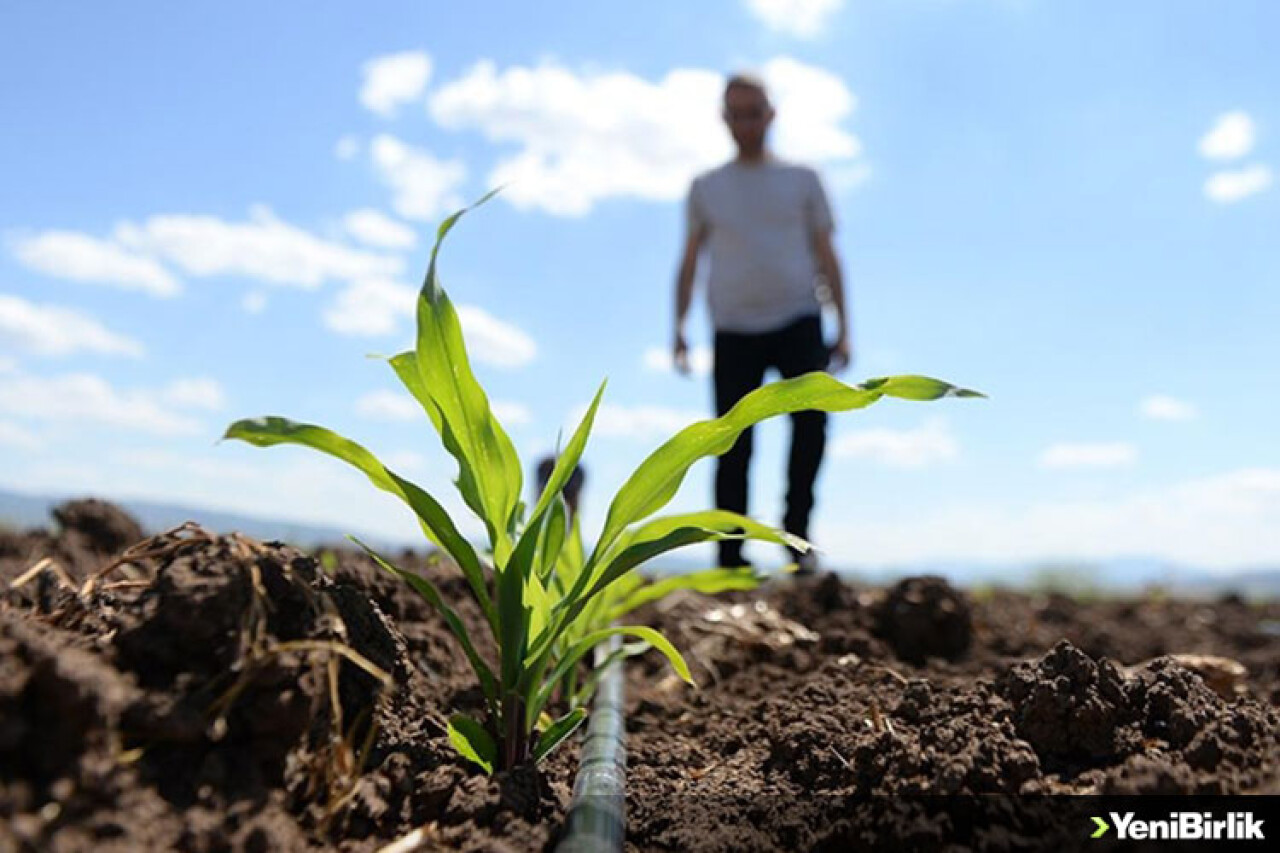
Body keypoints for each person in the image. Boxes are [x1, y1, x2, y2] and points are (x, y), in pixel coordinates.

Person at [672, 72, 850, 573]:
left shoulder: (802, 180)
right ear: (724, 119)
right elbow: (689, 259)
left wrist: (845, 325)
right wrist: (679, 328)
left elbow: (827, 253)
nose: (746, 123)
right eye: (736, 113)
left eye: (755, 112)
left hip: (799, 318)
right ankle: (730, 557)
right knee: (730, 442)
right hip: (733, 329)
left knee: (810, 430)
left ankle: (798, 543)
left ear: (771, 115)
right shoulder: (707, 187)